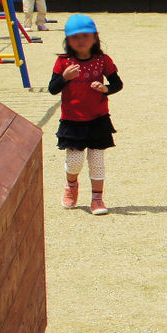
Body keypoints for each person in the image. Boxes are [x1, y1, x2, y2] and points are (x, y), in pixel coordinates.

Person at [49, 14, 121, 216]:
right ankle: (71, 185)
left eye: (85, 36)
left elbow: (117, 84)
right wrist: (64, 78)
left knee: (97, 160)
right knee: (75, 161)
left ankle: (97, 199)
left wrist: (105, 89)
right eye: (75, 37)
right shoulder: (63, 62)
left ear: (95, 37)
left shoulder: (102, 60)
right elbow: (53, 89)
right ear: (67, 40)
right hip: (73, 121)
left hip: (98, 119)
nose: (80, 40)